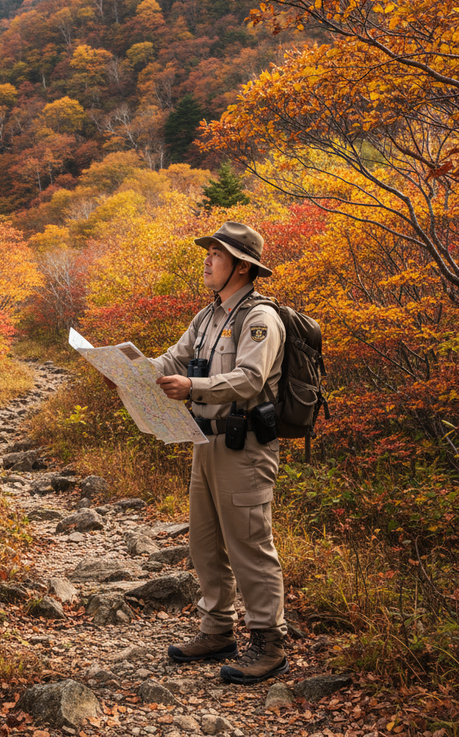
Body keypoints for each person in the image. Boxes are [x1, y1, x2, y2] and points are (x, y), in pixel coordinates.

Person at [105, 221, 288, 684]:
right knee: (204, 544)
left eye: (217, 254)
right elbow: (171, 360)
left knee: (248, 545)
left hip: (244, 447)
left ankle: (270, 644)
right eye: (207, 252)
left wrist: (193, 386)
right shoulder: (207, 317)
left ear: (243, 266)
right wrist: (129, 371)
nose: (207, 259)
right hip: (203, 441)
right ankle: (217, 631)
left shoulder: (260, 319)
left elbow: (249, 378)